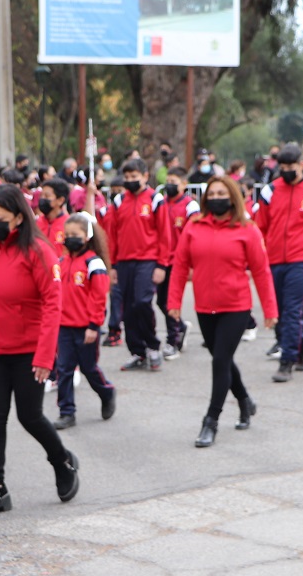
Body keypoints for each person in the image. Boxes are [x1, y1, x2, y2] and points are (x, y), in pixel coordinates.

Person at [0, 184, 78, 518]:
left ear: (18, 217)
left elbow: (53, 304)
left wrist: (45, 357)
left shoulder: (38, 250)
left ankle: (62, 462)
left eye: (1, 217)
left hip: (28, 352)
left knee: (30, 416)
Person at [167, 178, 278, 447]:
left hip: (236, 306)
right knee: (222, 358)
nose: (217, 197)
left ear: (233, 197)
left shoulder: (247, 230)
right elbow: (180, 265)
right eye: (212, 193)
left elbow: (261, 271)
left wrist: (269, 309)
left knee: (219, 362)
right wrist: (174, 302)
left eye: (222, 193)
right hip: (205, 307)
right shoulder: (193, 226)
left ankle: (211, 421)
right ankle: (245, 401)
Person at [254, 143, 303, 383]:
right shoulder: (269, 191)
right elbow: (259, 228)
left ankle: (287, 360)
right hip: (275, 260)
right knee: (277, 311)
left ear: (301, 165)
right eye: (283, 167)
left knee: (291, 310)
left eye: (291, 166)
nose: (287, 171)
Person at [103, 158, 172, 372]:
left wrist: (161, 265)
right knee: (128, 309)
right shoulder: (118, 201)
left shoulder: (155, 200)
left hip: (147, 261)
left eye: (135, 177)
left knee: (142, 302)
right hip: (123, 262)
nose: (131, 180)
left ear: (145, 176)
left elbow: (164, 234)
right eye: (128, 177)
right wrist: (112, 265)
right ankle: (137, 351)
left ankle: (153, 346)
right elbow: (111, 236)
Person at [51, 213, 116, 431]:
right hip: (64, 327)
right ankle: (66, 412)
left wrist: (93, 326)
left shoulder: (93, 263)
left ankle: (106, 392)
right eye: (67, 234)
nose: (70, 238)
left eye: (75, 235)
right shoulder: (61, 262)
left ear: (86, 237)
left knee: (89, 368)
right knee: (64, 368)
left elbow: (99, 297)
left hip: (86, 328)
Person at [157, 169, 199, 357]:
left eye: (173, 181)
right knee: (160, 300)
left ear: (183, 184)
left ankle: (172, 340)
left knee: (170, 301)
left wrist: (191, 262)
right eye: (167, 181)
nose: (169, 185)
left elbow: (194, 235)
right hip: (162, 258)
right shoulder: (161, 204)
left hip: (179, 261)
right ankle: (180, 326)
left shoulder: (190, 206)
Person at [36, 177, 70, 250]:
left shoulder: (69, 225)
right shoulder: (35, 223)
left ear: (60, 200)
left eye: (47, 196)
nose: (42, 199)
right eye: (41, 195)